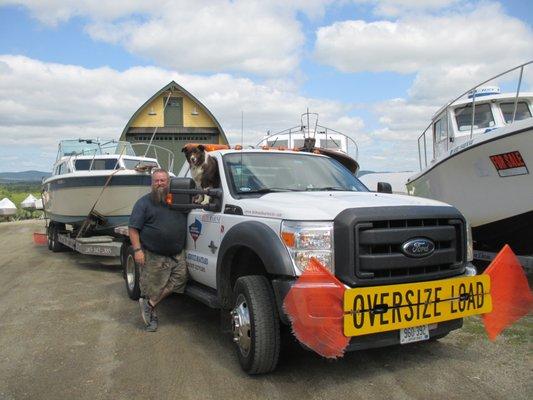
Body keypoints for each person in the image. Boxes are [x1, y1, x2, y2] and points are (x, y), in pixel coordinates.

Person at [128, 169, 188, 332]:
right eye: (157, 181)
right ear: (152, 183)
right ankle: (151, 318)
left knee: (180, 279)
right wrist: (138, 250)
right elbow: (133, 229)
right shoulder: (144, 203)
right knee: (153, 288)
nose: (160, 184)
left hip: (177, 254)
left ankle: (150, 305)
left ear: (169, 182)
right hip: (154, 254)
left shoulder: (178, 201)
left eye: (163, 181)